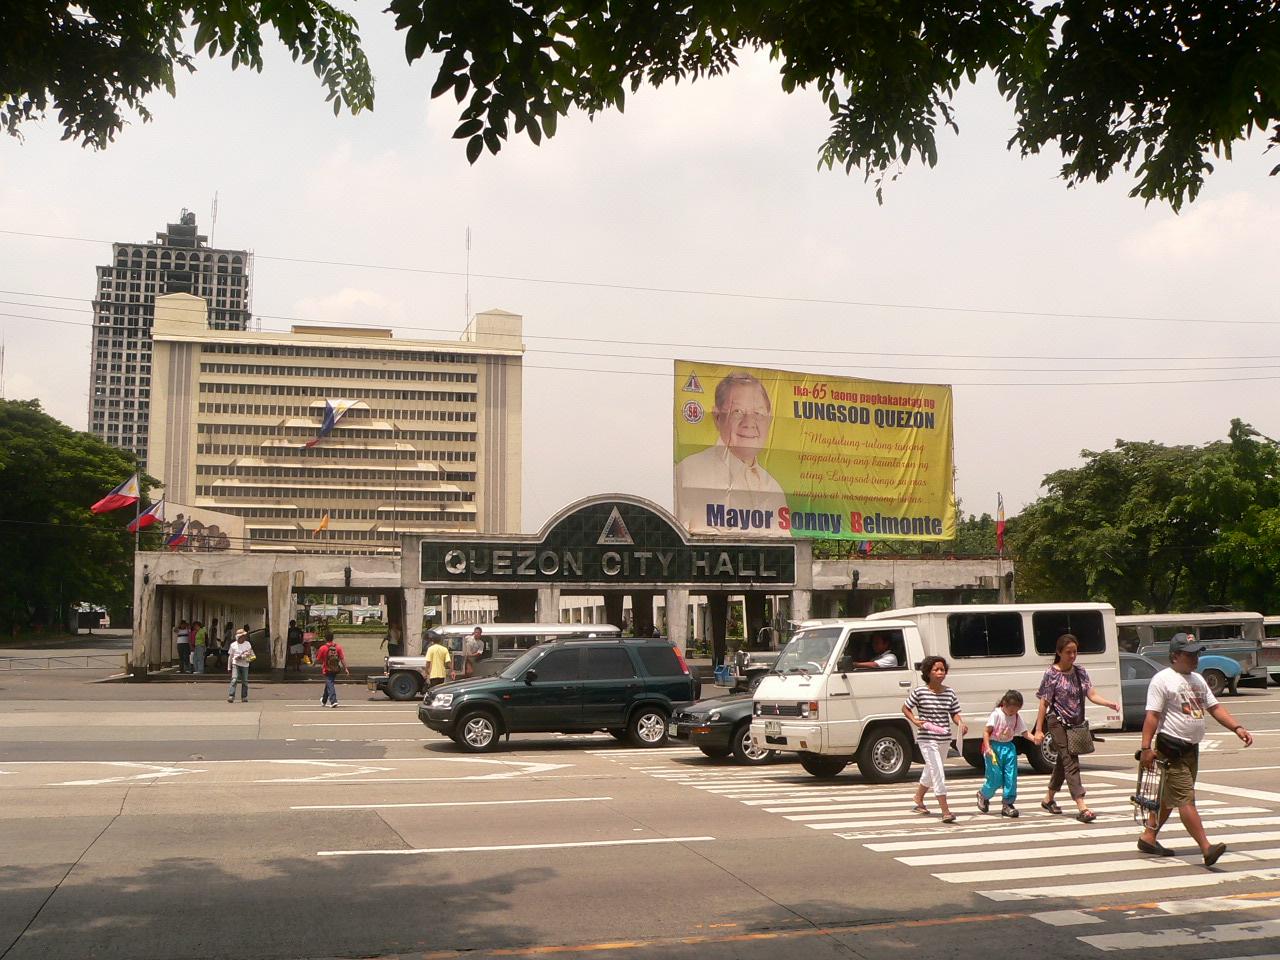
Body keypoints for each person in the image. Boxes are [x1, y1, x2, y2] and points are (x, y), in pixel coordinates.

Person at [1137, 633, 1253, 865]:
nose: (1195, 659)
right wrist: (1145, 748)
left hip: (1191, 749)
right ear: (1175, 656)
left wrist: (1237, 728)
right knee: (1185, 799)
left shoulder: (1198, 680)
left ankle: (1148, 837)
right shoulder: (1163, 680)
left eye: (1196, 654)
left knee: (1170, 797)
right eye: (1189, 654)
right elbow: (1152, 715)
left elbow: (1215, 708)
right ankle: (1206, 847)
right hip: (1172, 749)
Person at [674, 371, 788, 536]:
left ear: (769, 420)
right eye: (737, 412)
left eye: (758, 413)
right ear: (717, 417)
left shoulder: (774, 488)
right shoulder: (690, 473)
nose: (749, 423)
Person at [1033, 633, 1120, 822]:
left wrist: (1108, 704)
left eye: (1075, 652)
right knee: (1071, 760)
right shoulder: (1051, 674)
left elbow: (1092, 694)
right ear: (1059, 652)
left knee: (1063, 762)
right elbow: (1044, 703)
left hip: (1076, 723)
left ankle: (1048, 799)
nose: (1072, 656)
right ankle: (1082, 805)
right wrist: (1039, 729)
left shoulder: (1080, 672)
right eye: (1068, 652)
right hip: (1057, 722)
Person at [903, 655, 968, 823]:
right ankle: (945, 811)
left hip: (944, 738)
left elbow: (954, 713)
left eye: (943, 670)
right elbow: (906, 708)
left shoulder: (949, 692)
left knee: (931, 770)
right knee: (938, 771)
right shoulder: (920, 692)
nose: (940, 672)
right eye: (936, 670)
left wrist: (960, 723)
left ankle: (918, 798)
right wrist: (915, 720)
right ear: (928, 673)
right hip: (927, 739)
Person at [976, 690, 1042, 818]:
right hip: (994, 748)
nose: (1013, 712)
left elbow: (1024, 732)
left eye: (1016, 709)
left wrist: (1034, 739)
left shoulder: (1016, 717)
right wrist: (988, 748)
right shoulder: (996, 714)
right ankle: (983, 794)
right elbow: (986, 732)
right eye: (1011, 709)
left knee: (1011, 776)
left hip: (1009, 748)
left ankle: (1008, 804)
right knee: (995, 777)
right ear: (1004, 704)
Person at [316, 631, 348, 707]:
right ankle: (323, 700)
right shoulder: (338, 647)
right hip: (335, 669)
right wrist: (346, 668)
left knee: (330, 683)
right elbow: (342, 659)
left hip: (327, 669)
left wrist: (313, 664)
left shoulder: (323, 648)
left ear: (325, 638)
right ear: (333, 638)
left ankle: (333, 701)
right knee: (328, 683)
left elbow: (318, 659)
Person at [226, 626, 253, 703]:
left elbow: (250, 655)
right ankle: (231, 696)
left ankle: (244, 697)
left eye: (244, 636)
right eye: (242, 636)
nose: (244, 637)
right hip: (235, 664)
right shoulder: (233, 645)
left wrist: (242, 656)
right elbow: (230, 656)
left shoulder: (247, 644)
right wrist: (229, 667)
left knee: (245, 681)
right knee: (234, 679)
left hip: (245, 665)